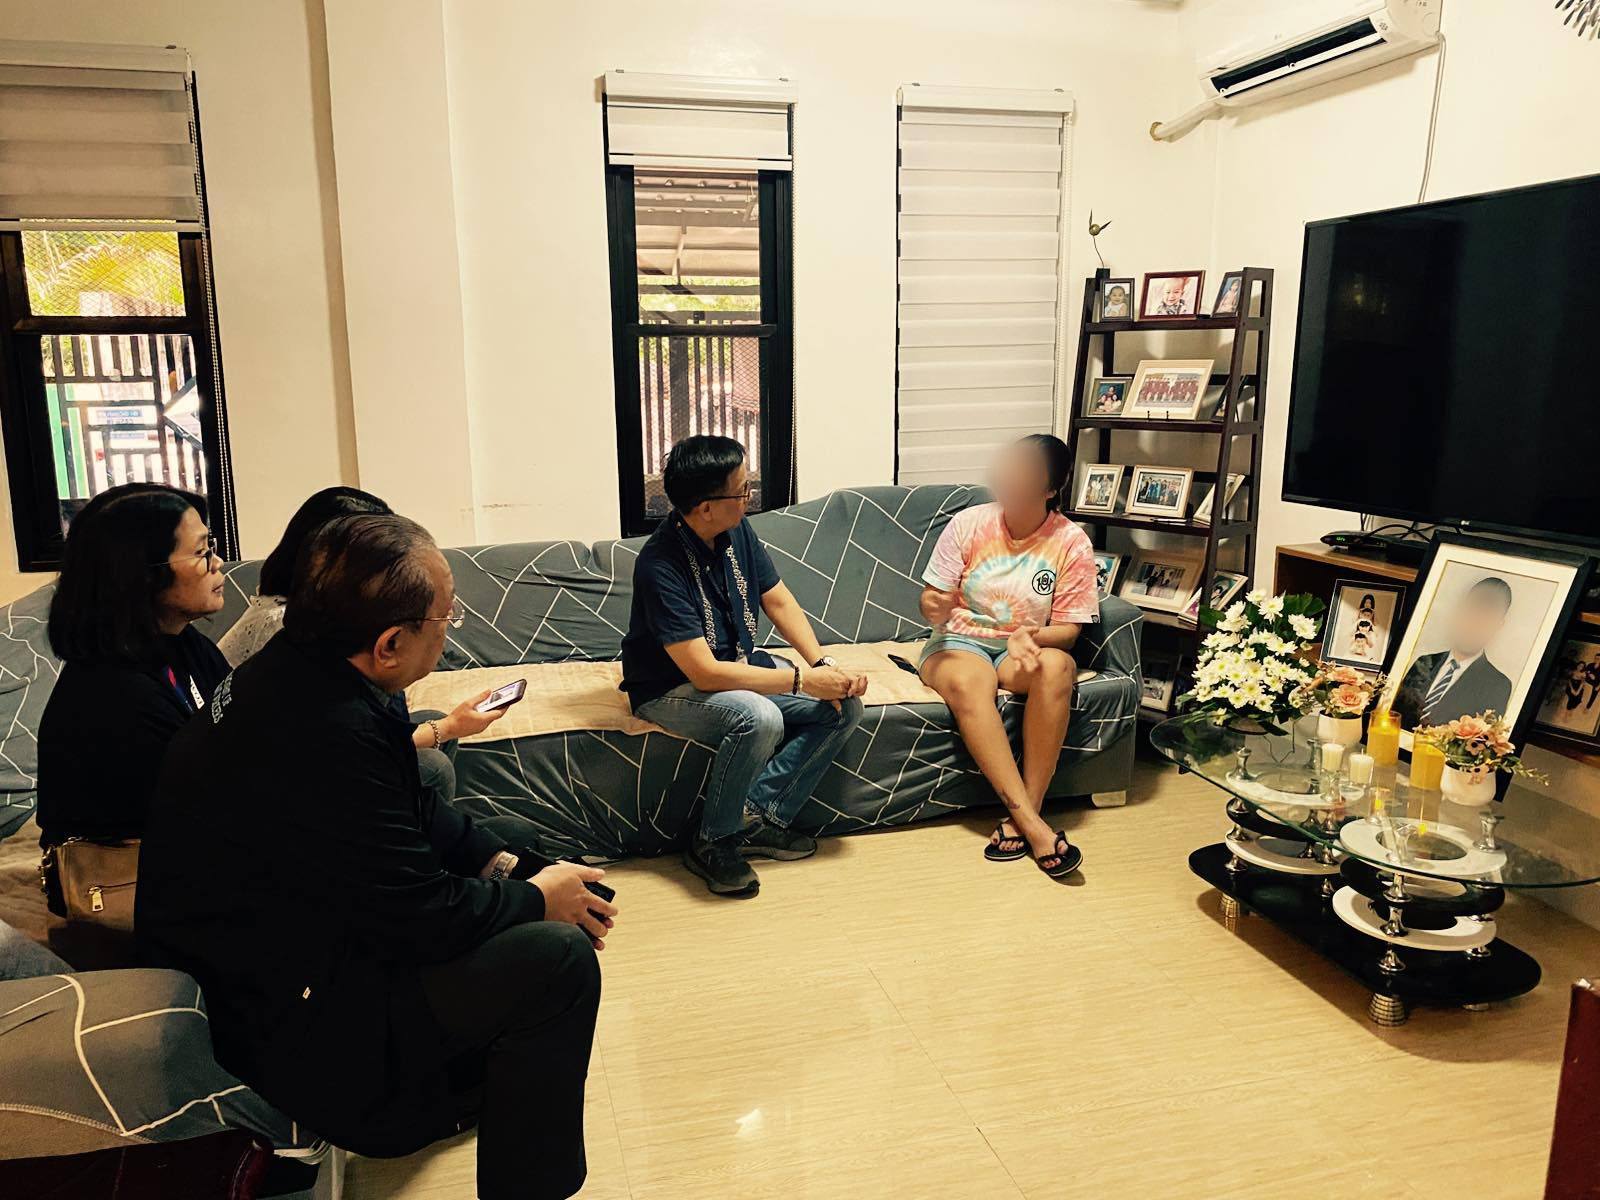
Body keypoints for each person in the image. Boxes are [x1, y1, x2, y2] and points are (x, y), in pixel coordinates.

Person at [136, 513, 613, 1200]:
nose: (452, 629)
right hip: (278, 1018)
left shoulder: (307, 667)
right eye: (447, 616)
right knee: (557, 961)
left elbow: (414, 811)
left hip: (303, 947)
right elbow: (419, 916)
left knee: (514, 854)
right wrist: (539, 900)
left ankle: (463, 1078)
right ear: (390, 643)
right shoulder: (326, 731)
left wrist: (518, 871)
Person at [620, 435, 866, 899]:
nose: (749, 497)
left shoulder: (736, 531)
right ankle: (713, 841)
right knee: (759, 716)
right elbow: (705, 673)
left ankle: (756, 817)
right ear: (705, 508)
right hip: (669, 687)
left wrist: (823, 666)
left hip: (737, 663)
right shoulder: (659, 564)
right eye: (741, 491)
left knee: (843, 706)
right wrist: (802, 680)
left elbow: (777, 599)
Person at [218, 486, 502, 805]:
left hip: (318, 746)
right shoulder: (290, 629)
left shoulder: (319, 616)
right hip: (292, 773)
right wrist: (447, 727)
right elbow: (335, 740)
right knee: (433, 765)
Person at [36, 484, 228, 908]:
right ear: (142, 575)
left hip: (190, 854)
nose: (218, 563)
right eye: (201, 552)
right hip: (119, 887)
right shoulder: (112, 696)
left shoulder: (186, 644)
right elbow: (211, 805)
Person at [918, 434, 1098, 878]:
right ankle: (1037, 829)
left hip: (1021, 648)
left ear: (1051, 488)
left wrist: (1032, 634)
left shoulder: (1071, 542)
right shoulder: (968, 523)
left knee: (1057, 667)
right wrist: (935, 605)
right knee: (970, 682)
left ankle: (1025, 816)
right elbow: (931, 601)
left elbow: (1069, 631)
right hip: (958, 642)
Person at [1393, 576, 1515, 729]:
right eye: (1472, 613)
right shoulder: (1424, 661)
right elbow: (1393, 714)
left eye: (1486, 619)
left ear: (1498, 625)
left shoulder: (1497, 686)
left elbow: (1479, 740)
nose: (1475, 625)